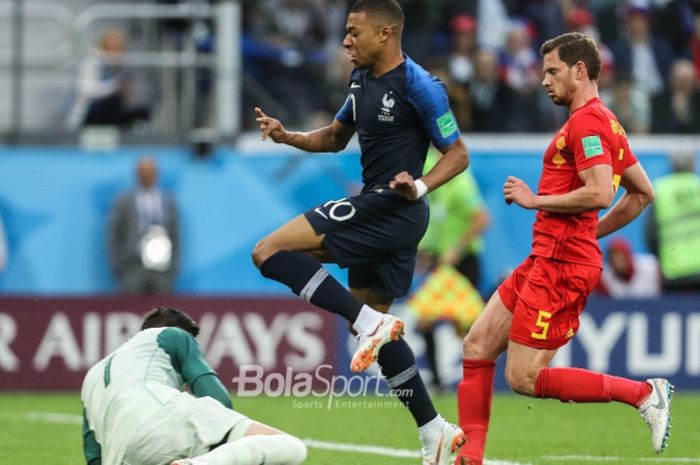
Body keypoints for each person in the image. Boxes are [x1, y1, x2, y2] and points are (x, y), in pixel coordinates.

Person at [252, 1, 469, 463]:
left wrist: (421, 185)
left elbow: (458, 155)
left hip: (391, 207)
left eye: (354, 32)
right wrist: (287, 135)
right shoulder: (360, 80)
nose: (345, 41)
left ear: (386, 33)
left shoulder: (421, 86)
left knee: (268, 251)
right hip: (385, 212)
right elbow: (334, 137)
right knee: (372, 329)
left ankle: (372, 324)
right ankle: (435, 432)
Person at [455, 32, 671, 465]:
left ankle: (645, 394)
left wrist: (537, 201)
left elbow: (598, 193)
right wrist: (592, 235)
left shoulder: (589, 124)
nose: (544, 81)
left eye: (552, 71)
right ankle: (469, 459)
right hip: (547, 257)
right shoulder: (604, 121)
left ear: (579, 70)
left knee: (524, 377)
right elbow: (641, 193)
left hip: (561, 265)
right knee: (476, 345)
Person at [81, 306, 307, 465]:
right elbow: (217, 398)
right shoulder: (172, 335)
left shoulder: (92, 375)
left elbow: (94, 456)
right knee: (289, 446)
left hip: (121, 457)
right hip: (160, 415)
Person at [414, 149, 490, 391]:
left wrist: (456, 249)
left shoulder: (460, 183)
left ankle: (479, 378)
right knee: (426, 320)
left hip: (464, 261)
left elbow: (482, 219)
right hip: (443, 264)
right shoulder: (436, 192)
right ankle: (437, 382)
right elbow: (437, 226)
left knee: (466, 327)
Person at [108, 156, 180, 294]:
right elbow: (114, 235)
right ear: (137, 175)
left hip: (162, 267)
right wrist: (118, 266)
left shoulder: (168, 201)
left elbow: (176, 235)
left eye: (150, 172)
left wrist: (174, 267)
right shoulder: (124, 201)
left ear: (156, 174)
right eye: (143, 172)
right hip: (133, 266)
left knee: (162, 313)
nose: (147, 176)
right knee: (133, 309)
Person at [67, 29, 150, 129]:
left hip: (110, 113)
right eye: (114, 48)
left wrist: (127, 91)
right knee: (112, 102)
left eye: (120, 49)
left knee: (143, 112)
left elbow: (130, 98)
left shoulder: (122, 67)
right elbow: (87, 90)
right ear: (104, 47)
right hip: (88, 114)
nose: (118, 53)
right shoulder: (92, 62)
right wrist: (115, 86)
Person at [645, 150, 700, 292]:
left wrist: (663, 259)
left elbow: (651, 235)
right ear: (692, 165)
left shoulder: (661, 190)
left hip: (673, 273)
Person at [596, 237, 661, 299]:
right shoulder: (604, 277)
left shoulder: (650, 265)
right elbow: (603, 304)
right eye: (613, 256)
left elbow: (664, 295)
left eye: (621, 255)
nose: (617, 260)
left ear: (628, 255)